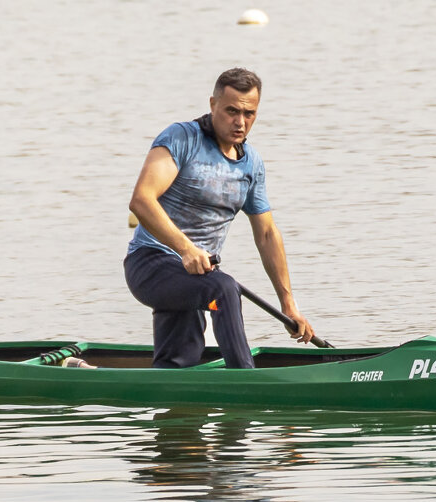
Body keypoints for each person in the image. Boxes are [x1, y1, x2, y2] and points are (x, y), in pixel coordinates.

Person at [124, 68, 316, 369]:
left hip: (194, 274)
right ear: (213, 104)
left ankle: (152, 388)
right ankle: (246, 381)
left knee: (178, 366)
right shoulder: (182, 138)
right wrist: (187, 250)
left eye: (249, 113)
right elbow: (142, 200)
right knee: (223, 288)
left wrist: (288, 304)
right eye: (231, 111)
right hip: (150, 264)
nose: (240, 122)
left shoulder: (251, 164)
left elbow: (266, 234)